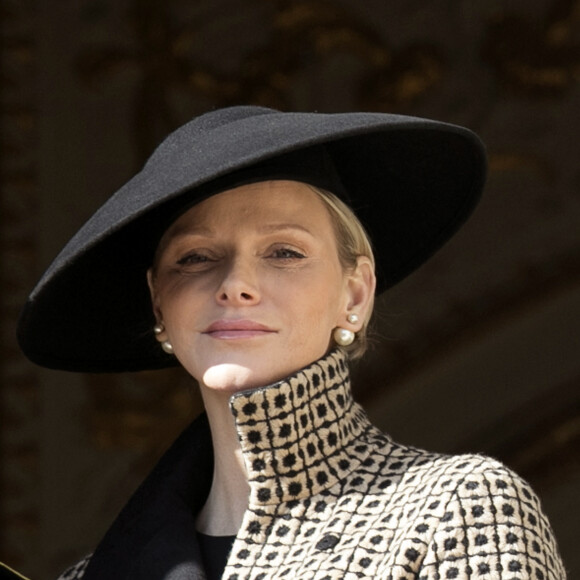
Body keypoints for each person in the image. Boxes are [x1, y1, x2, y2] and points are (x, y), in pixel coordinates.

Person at [17, 106, 566, 579]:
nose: (235, 284)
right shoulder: (91, 576)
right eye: (194, 258)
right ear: (160, 304)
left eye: (284, 252)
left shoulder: (460, 509)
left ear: (354, 294)